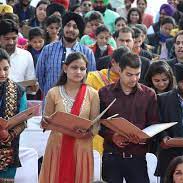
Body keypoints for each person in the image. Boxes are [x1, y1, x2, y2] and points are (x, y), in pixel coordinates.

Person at [39, 52, 100, 183]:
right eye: (74, 67)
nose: (78, 72)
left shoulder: (92, 94)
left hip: (81, 146)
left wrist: (88, 134)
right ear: (65, 68)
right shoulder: (53, 92)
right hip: (58, 146)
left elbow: (96, 125)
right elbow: (45, 123)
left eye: (82, 69)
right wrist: (44, 122)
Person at [99, 52, 159, 183]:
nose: (134, 79)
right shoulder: (104, 93)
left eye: (137, 74)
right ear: (119, 71)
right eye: (129, 74)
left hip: (137, 156)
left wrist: (143, 137)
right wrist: (112, 136)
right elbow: (99, 124)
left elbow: (154, 124)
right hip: (112, 155)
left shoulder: (149, 94)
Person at [36, 12, 96, 96]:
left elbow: (90, 79)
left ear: (79, 31)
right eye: (68, 25)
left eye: (75, 27)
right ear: (63, 27)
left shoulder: (87, 52)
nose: (71, 29)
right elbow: (40, 76)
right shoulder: (48, 49)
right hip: (51, 103)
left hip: (77, 103)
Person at [85, 46, 130, 154]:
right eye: (122, 66)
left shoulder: (131, 80)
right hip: (98, 131)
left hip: (123, 134)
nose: (126, 69)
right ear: (113, 62)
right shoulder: (94, 78)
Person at [0, 48, 27, 182]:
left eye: (6, 69)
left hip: (8, 150)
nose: (2, 73)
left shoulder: (18, 91)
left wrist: (9, 135)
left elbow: (23, 121)